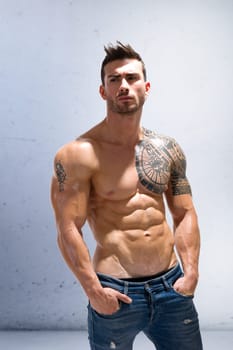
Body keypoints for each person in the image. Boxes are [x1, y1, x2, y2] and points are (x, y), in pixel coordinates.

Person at [51, 41, 203, 350]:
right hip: (115, 292)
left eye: (131, 78)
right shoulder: (78, 154)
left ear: (146, 87)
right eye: (114, 79)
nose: (124, 85)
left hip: (171, 287)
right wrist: (94, 291)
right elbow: (68, 229)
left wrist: (191, 274)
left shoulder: (166, 149)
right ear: (102, 91)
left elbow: (184, 213)